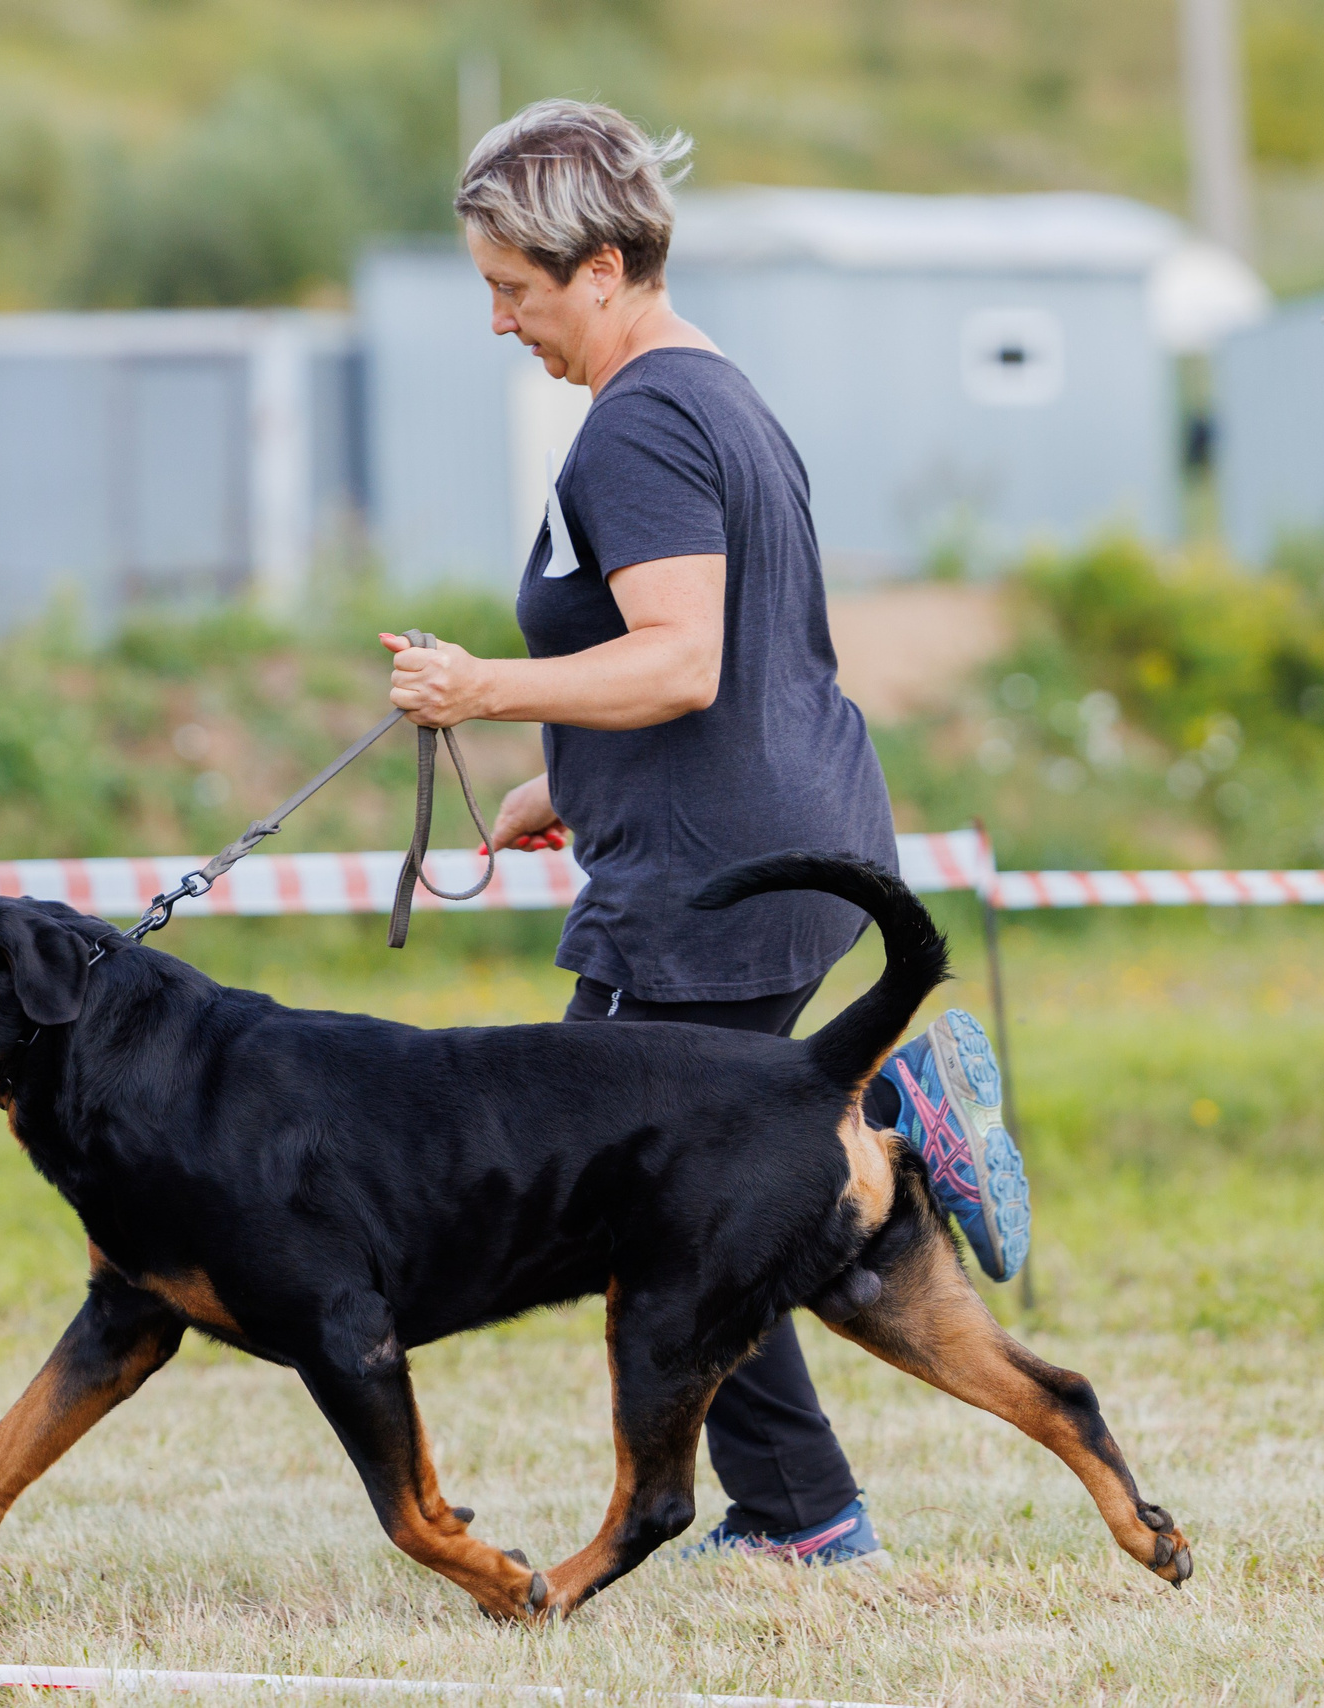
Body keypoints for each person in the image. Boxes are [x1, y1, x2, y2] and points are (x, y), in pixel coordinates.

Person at [379, 99, 1030, 1568]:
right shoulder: (713, 393)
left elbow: (682, 660)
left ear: (600, 266)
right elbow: (720, 668)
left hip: (716, 883)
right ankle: (803, 1510)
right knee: (687, 1200)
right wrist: (566, 785)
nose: (501, 321)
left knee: (634, 1198)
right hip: (770, 838)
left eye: (514, 289)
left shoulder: (641, 428)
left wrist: (481, 689)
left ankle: (894, 1130)